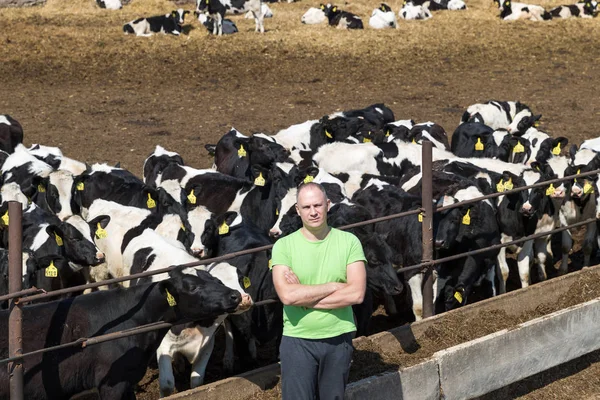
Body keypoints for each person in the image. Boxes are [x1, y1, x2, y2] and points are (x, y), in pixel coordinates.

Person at [271, 182, 367, 400]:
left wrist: (303, 298)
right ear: (297, 210)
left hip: (338, 339)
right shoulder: (283, 246)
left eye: (318, 205)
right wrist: (334, 286)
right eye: (306, 207)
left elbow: (356, 294)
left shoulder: (349, 242)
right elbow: (286, 295)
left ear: (328, 205)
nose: (313, 212)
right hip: (297, 341)